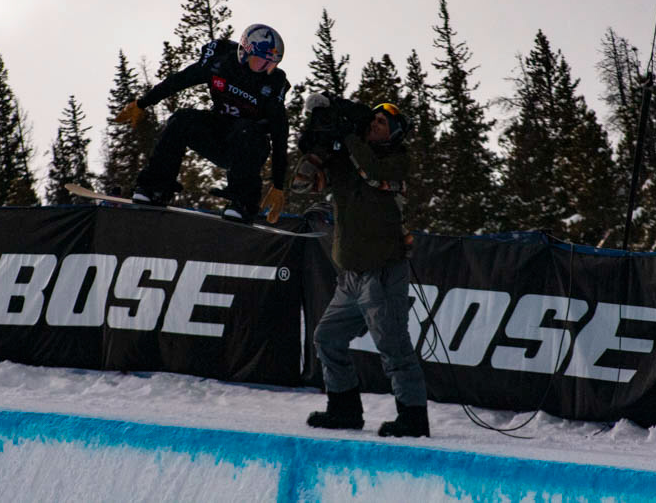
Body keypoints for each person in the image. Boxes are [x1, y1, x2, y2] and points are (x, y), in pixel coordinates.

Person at [295, 95, 429, 438]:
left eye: (382, 123)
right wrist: (314, 145)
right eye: (372, 119)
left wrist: (348, 136)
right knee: (327, 338)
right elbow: (304, 183)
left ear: (394, 133)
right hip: (350, 276)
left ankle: (413, 417)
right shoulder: (348, 157)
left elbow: (373, 173)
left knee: (393, 347)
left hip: (383, 271)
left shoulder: (396, 161)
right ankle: (344, 410)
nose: (373, 124)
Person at [114, 24, 289, 224]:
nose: (265, 69)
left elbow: (280, 136)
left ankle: (243, 203)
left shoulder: (273, 84)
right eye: (260, 62)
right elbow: (180, 80)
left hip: (249, 145)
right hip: (219, 134)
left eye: (270, 65)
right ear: (244, 53)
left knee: (245, 129)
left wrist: (278, 185)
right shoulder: (220, 63)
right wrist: (142, 103)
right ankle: (155, 188)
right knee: (181, 119)